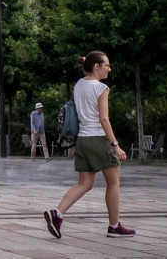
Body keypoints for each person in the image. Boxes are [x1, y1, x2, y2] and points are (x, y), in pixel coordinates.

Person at [44, 51, 134, 239]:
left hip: (82, 141)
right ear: (96, 66)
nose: (109, 68)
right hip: (98, 139)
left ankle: (57, 214)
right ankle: (114, 226)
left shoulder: (78, 85)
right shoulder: (101, 88)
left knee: (84, 183)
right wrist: (115, 145)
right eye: (107, 65)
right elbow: (103, 119)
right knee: (114, 182)